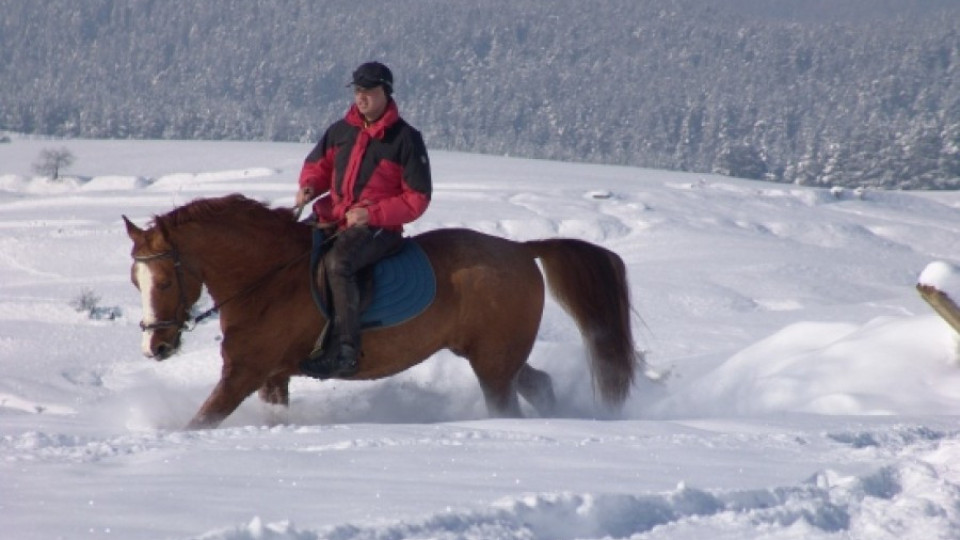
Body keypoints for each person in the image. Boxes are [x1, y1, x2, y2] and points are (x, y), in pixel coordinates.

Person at [296, 61, 432, 378]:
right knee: (290, 252)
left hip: (380, 229)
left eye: (369, 91)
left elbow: (418, 199)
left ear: (386, 92)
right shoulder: (341, 131)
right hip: (333, 217)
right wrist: (309, 186)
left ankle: (345, 351)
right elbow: (318, 166)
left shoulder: (406, 139)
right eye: (358, 91)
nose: (361, 97)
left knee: (338, 263)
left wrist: (371, 214)